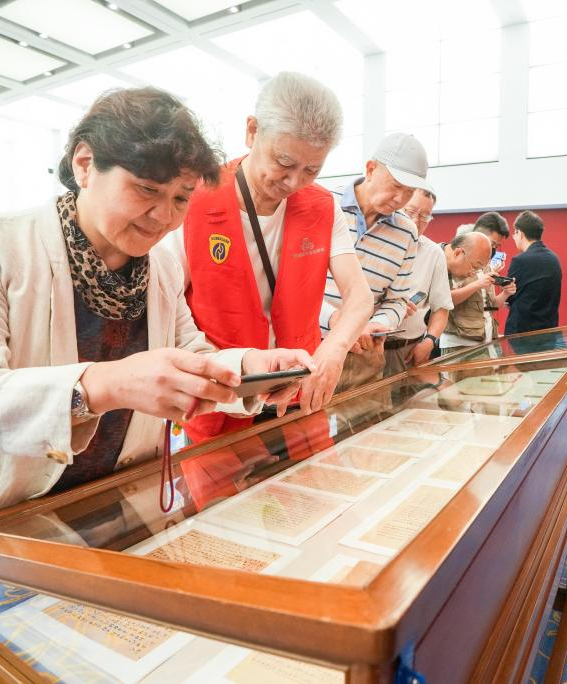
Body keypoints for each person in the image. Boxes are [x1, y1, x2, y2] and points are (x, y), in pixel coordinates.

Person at [0, 88, 314, 683]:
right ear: (85, 164)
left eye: (181, 198)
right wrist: (102, 384)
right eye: (146, 190)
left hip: (104, 521)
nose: (164, 217)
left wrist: (246, 369)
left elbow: (191, 352)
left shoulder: (161, 264)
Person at [170, 72, 372, 441]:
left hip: (297, 395)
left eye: (311, 170)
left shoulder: (323, 207)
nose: (294, 182)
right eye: (283, 162)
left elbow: (360, 298)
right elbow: (169, 307)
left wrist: (334, 350)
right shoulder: (192, 200)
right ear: (252, 131)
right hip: (221, 397)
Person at [320, 133, 431, 389]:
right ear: (371, 169)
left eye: (409, 192)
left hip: (364, 355)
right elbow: (291, 285)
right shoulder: (324, 205)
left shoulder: (407, 232)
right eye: (396, 186)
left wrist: (378, 324)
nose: (401, 199)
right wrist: (337, 320)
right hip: (311, 347)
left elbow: (397, 300)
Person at [383, 188, 453, 375]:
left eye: (424, 216)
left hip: (409, 350)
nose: (416, 220)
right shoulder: (378, 243)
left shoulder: (434, 253)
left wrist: (429, 342)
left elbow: (442, 307)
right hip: (370, 347)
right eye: (410, 211)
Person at [439, 212, 516, 356]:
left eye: (495, 246)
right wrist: (477, 284)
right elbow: (445, 300)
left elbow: (490, 306)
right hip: (459, 343)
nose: (492, 249)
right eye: (491, 244)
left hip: (486, 339)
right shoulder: (453, 260)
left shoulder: (486, 265)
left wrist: (505, 293)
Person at [504, 210, 562, 335]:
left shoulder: (520, 260)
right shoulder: (554, 259)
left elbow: (509, 296)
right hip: (549, 330)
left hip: (522, 333)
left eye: (515, 233)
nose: (514, 237)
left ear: (520, 233)